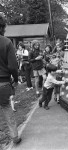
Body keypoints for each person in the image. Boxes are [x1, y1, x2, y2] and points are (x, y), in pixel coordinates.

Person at [0, 15, 21, 144]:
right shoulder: (6, 42)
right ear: (2, 27)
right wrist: (17, 79)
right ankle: (15, 137)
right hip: (3, 83)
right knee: (7, 108)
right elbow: (13, 66)